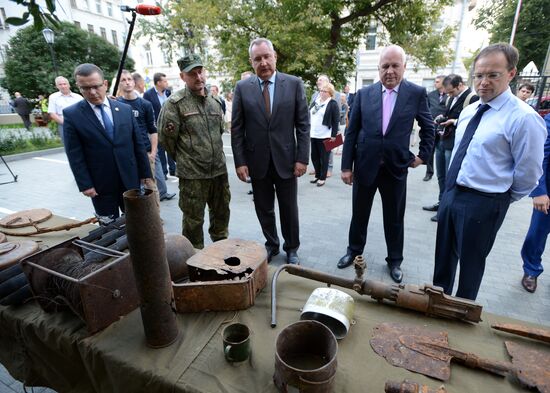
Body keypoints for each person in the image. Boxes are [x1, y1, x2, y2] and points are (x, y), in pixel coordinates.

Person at [433, 43, 547, 301]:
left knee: (470, 267)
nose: (483, 82)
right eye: (479, 75)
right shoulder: (470, 111)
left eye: (493, 75)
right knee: (443, 263)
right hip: (452, 195)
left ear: (511, 74)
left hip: (485, 202)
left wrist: (500, 197)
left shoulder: (523, 118)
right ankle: (437, 308)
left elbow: (529, 172)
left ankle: (461, 316)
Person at [338, 45, 435, 283]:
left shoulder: (416, 93)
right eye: (385, 66)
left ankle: (395, 260)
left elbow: (428, 126)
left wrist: (423, 156)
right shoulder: (364, 93)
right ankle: (353, 251)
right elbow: (351, 132)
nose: (390, 71)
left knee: (394, 217)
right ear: (378, 68)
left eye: (395, 66)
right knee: (359, 214)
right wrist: (346, 166)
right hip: (365, 166)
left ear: (404, 67)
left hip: (395, 168)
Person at [231, 37, 310, 265]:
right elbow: (237, 128)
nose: (263, 62)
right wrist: (239, 161)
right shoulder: (242, 88)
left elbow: (303, 124)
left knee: (289, 209)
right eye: (258, 59)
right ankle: (271, 244)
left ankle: (292, 247)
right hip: (257, 161)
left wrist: (302, 158)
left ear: (274, 56)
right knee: (263, 208)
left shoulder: (294, 83)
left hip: (287, 160)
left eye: (267, 57)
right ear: (251, 62)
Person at [157, 54, 230, 249]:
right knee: (193, 221)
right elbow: (166, 140)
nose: (199, 77)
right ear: (183, 77)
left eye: (200, 72)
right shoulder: (175, 104)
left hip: (219, 172)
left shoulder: (215, 102)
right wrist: (187, 159)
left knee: (221, 216)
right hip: (192, 176)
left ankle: (220, 252)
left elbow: (219, 132)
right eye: (192, 74)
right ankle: (193, 260)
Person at [63, 63, 151, 218]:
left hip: (129, 179)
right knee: (108, 228)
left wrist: (145, 173)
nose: (92, 92)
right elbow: (74, 153)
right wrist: (85, 184)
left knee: (136, 222)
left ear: (105, 84)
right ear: (78, 87)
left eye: (96, 86)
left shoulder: (124, 110)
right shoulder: (72, 115)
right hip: (100, 184)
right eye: (85, 88)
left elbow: (138, 144)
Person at [423, 74, 478, 222]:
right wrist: (442, 117)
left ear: (460, 85)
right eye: (447, 92)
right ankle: (442, 203)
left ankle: (447, 209)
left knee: (450, 177)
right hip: (443, 139)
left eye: (451, 92)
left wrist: (453, 122)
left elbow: (474, 121)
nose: (449, 95)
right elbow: (448, 114)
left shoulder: (472, 98)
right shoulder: (450, 97)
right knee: (441, 176)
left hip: (455, 144)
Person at [117, 70, 175, 203]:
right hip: (127, 153)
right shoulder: (116, 105)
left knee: (151, 186)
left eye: (129, 79)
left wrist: (153, 152)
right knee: (133, 188)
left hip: (146, 151)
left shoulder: (145, 104)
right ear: (119, 84)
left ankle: (155, 218)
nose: (127, 82)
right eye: (123, 80)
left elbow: (152, 129)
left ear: (134, 82)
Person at [143, 72, 176, 178]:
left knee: (170, 146)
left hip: (169, 125)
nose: (167, 83)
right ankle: (163, 172)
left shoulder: (168, 92)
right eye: (165, 81)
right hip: (156, 126)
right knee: (160, 150)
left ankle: (173, 169)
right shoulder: (148, 94)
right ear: (158, 83)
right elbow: (147, 111)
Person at [309, 82, 339, 187]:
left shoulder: (332, 104)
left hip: (325, 135)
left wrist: (334, 135)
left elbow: (336, 121)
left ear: (330, 93)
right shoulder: (316, 101)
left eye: (324, 91)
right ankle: (317, 175)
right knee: (314, 156)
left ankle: (322, 177)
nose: (322, 93)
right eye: (321, 91)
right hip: (313, 134)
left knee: (324, 157)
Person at [422, 75, 447, 182]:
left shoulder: (450, 95)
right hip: (431, 128)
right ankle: (429, 172)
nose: (435, 83)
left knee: (442, 151)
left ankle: (443, 174)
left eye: (437, 82)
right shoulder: (430, 95)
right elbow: (426, 110)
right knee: (430, 151)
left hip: (444, 129)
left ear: (443, 83)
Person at [48, 76, 83, 143]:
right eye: (60, 84)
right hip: (64, 125)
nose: (63, 86)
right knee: (69, 146)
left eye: (64, 84)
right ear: (57, 86)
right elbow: (52, 113)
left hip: (79, 124)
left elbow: (84, 112)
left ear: (69, 85)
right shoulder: (53, 97)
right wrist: (66, 124)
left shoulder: (78, 97)